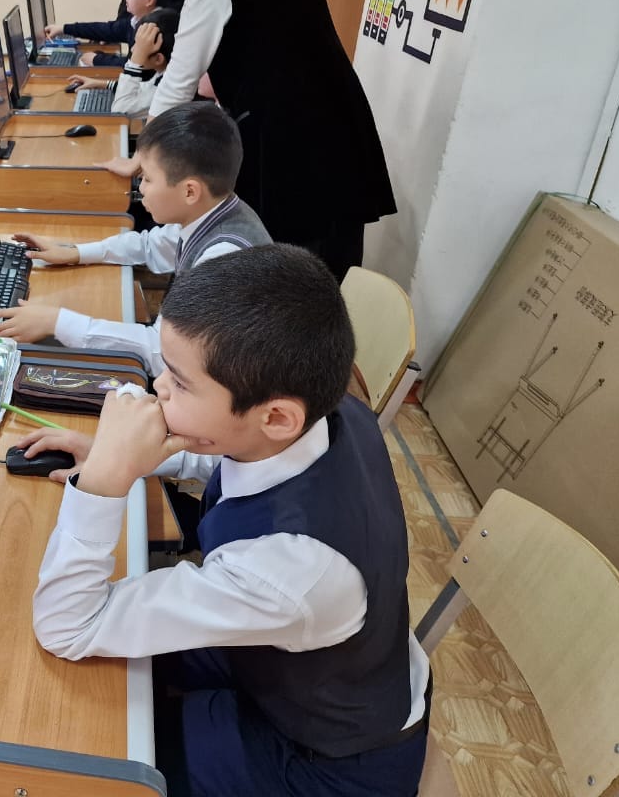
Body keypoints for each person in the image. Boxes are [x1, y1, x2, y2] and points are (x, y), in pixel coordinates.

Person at [23, 245, 430, 797]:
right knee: (123, 679)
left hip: (328, 762)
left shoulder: (290, 569)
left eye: (180, 382)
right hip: (310, 667)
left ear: (277, 416)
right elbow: (234, 453)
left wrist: (104, 483)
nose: (158, 387)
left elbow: (66, 626)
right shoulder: (328, 410)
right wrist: (122, 455)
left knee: (100, 756)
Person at [115, 0, 395, 281]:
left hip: (285, 150)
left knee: (285, 278)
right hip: (344, 136)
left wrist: (143, 158)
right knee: (334, 269)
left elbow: (177, 87)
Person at [0, 102, 270, 376]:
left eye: (147, 179)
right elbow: (148, 245)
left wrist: (57, 322)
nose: (140, 189)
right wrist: (75, 252)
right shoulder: (213, 209)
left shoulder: (223, 256)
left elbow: (163, 355)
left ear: (189, 191)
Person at [45, 0, 172, 68]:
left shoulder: (154, 30)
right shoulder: (135, 21)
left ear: (149, 0)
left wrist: (97, 59)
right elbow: (106, 29)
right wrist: (63, 28)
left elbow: (135, 65)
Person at [65, 8, 180, 118]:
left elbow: (120, 112)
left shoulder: (169, 89)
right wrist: (101, 83)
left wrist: (135, 61)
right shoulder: (165, 73)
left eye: (138, 47)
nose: (133, 50)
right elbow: (143, 90)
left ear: (158, 59)